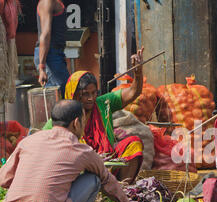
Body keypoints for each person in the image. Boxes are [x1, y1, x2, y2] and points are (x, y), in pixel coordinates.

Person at [0, 100, 145, 202]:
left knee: (42, 185)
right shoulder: (80, 150)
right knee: (93, 180)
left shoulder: (29, 141)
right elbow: (108, 182)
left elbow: (4, 179)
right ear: (76, 123)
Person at [43, 48, 146, 184]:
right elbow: (42, 142)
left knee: (134, 143)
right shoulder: (62, 115)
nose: (91, 98)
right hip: (78, 168)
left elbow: (133, 92)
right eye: (86, 94)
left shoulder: (103, 103)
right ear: (74, 95)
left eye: (94, 93)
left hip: (107, 163)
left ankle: (122, 189)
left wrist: (138, 73)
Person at [34, 0, 70, 97]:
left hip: (55, 54)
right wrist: (42, 67)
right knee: (63, 96)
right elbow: (45, 35)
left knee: (64, 94)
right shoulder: (47, 2)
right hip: (50, 56)